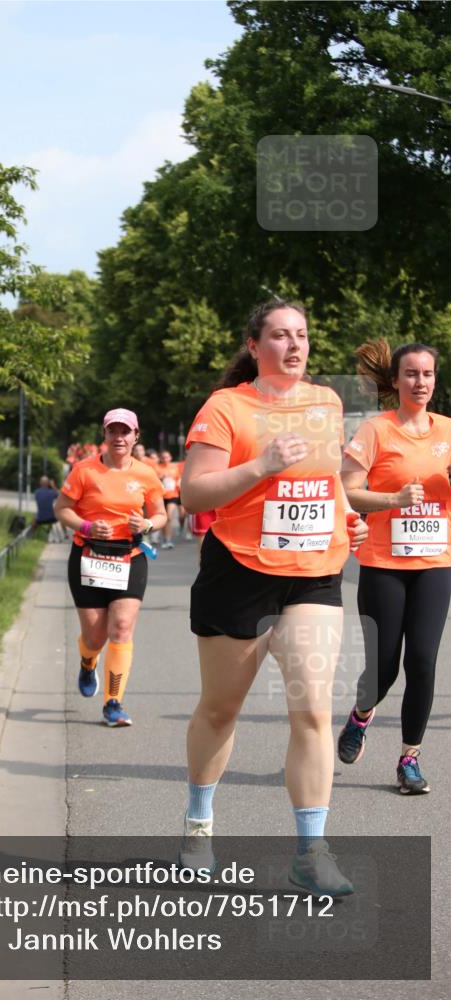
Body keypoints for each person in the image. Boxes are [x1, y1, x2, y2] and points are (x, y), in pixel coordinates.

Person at [180, 299, 368, 896]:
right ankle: (198, 829)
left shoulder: (326, 403)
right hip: (238, 568)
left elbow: (329, 480)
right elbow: (192, 493)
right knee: (220, 709)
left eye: (303, 335)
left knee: (313, 711)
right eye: (281, 336)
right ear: (254, 344)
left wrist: (347, 518)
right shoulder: (226, 407)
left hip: (314, 571)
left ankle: (311, 852)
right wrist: (261, 465)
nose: (294, 345)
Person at [337, 339, 451, 795]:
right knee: (383, 668)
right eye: (411, 374)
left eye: (427, 374)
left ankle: (409, 760)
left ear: (434, 379)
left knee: (422, 661)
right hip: (383, 562)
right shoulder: (375, 431)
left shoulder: (447, 430)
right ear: (396, 380)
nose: (419, 382)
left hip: (435, 562)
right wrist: (393, 499)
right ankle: (360, 716)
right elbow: (348, 490)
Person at [54, 408, 166, 726]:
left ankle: (113, 703)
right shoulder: (83, 471)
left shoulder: (145, 473)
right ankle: (88, 662)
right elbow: (61, 508)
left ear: (135, 436)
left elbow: (161, 515)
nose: (119, 437)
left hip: (129, 558)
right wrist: (87, 526)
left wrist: (146, 523)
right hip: (88, 556)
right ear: (104, 435)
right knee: (95, 635)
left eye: (125, 432)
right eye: (113, 431)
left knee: (121, 628)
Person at [156, 450, 183, 549]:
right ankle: (165, 539)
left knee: (169, 516)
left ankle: (169, 540)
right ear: (160, 458)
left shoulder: (175, 468)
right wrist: (161, 478)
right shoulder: (158, 468)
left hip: (173, 495)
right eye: (163, 457)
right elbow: (154, 480)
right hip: (161, 496)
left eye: (167, 457)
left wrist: (179, 484)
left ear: (170, 458)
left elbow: (179, 479)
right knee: (164, 518)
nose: (165, 459)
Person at [34, 475, 64, 541]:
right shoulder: (52, 492)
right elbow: (61, 496)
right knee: (58, 514)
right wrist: (53, 486)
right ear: (48, 483)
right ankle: (57, 534)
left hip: (40, 519)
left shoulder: (37, 492)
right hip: (52, 518)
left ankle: (32, 536)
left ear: (40, 483)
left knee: (35, 516)